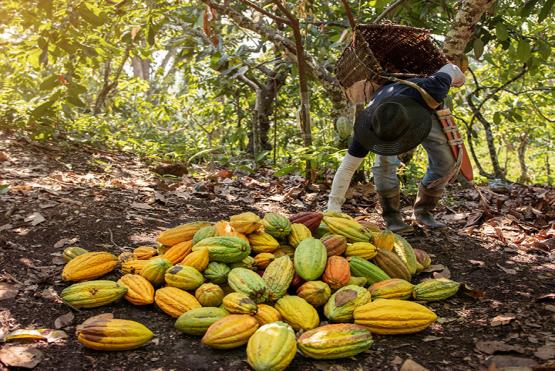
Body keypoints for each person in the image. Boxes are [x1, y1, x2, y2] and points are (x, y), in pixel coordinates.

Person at [327, 63, 466, 233]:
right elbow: (348, 167)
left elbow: (451, 69)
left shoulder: (433, 87)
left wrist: (460, 80)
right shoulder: (368, 127)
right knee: (384, 163)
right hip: (389, 111)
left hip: (424, 110)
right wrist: (333, 208)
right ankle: (391, 216)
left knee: (446, 162)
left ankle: (424, 210)